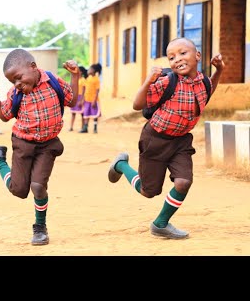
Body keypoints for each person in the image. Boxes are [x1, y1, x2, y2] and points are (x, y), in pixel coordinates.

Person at [107, 37, 225, 239]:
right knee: (148, 191)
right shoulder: (167, 82)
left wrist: (219, 71)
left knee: (183, 182)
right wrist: (148, 80)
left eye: (182, 53)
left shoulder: (203, 82)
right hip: (155, 139)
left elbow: (208, 92)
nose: (177, 59)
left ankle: (160, 224)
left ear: (197, 56)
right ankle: (121, 165)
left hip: (181, 141)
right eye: (171, 57)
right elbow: (137, 104)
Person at [0, 48, 80, 245]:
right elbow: (5, 115)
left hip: (48, 145)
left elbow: (72, 100)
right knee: (19, 190)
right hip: (23, 144)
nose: (17, 84)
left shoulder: (53, 82)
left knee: (38, 186)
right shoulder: (16, 93)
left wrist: (75, 76)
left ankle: (40, 228)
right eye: (13, 81)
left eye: (18, 78)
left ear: (33, 67)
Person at [79, 63, 102, 133]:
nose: (88, 70)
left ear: (94, 70)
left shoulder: (96, 79)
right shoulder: (88, 78)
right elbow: (85, 89)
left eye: (90, 69)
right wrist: (82, 99)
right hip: (87, 99)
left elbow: (97, 90)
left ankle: (95, 128)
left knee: (95, 114)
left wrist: (94, 100)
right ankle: (85, 127)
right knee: (86, 113)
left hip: (93, 100)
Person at [68, 66, 88, 131]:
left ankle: (82, 127)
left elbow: (84, 91)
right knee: (73, 113)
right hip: (75, 96)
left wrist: (82, 100)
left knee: (82, 113)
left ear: (81, 72)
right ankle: (71, 127)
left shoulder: (83, 80)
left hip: (80, 97)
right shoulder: (75, 79)